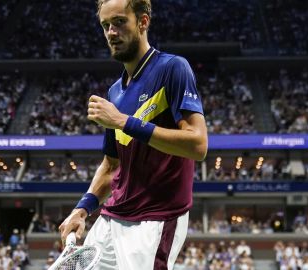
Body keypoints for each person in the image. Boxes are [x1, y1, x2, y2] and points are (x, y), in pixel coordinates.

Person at [58, 0, 207, 269]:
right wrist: (81, 209)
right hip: (111, 217)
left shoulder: (173, 68)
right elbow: (111, 165)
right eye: (105, 26)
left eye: (119, 22)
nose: (111, 32)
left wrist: (123, 121)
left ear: (143, 22)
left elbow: (198, 144)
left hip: (154, 221)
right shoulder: (115, 92)